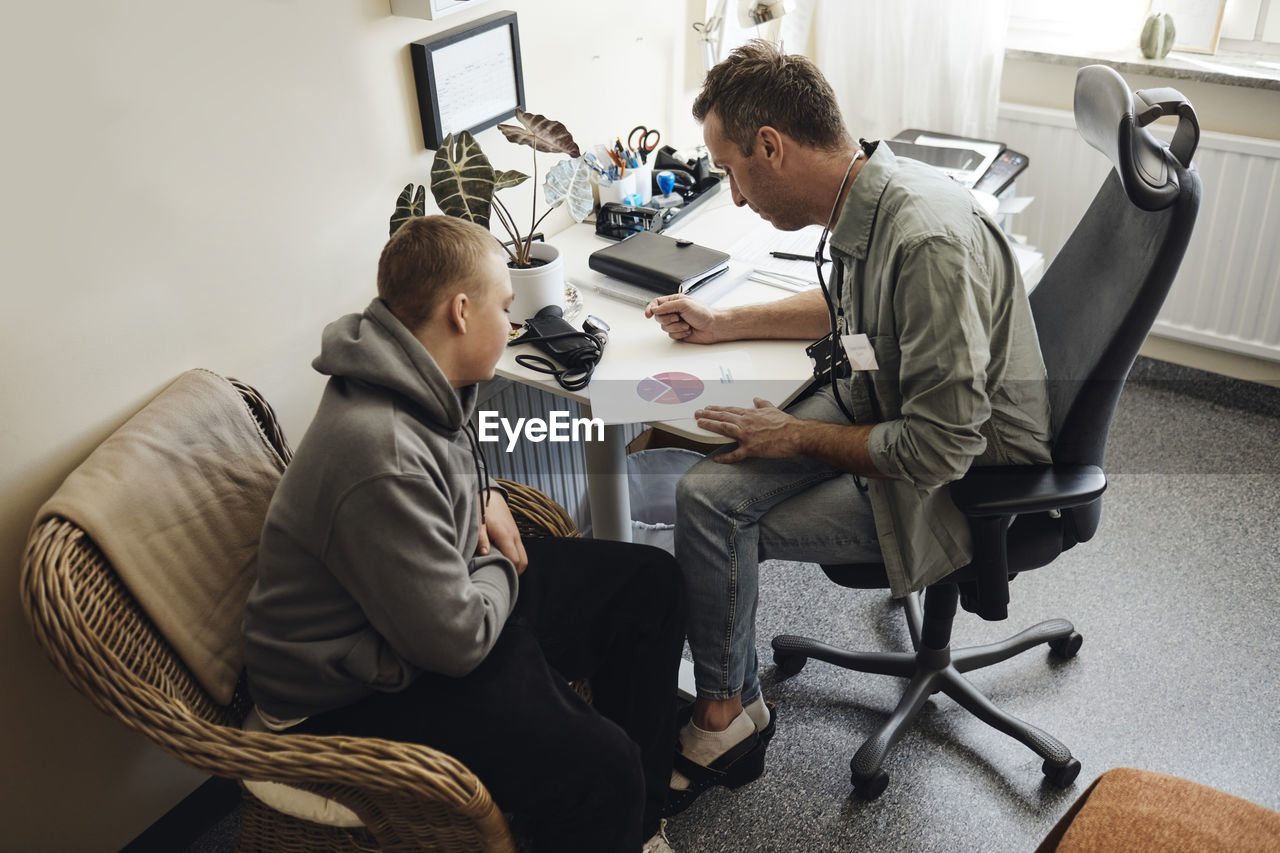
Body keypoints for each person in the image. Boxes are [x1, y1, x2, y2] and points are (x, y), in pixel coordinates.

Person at [645, 41, 1053, 811]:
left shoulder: (925, 238)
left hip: (961, 470)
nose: (733, 197)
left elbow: (943, 443)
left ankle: (722, 715)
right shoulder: (873, 188)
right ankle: (733, 704)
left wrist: (796, 437)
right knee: (705, 495)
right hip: (885, 396)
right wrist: (724, 322)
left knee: (728, 525)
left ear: (772, 147)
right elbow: (855, 312)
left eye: (731, 169)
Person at [243, 215, 686, 853]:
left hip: (431, 604)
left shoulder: (414, 374)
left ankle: (634, 832)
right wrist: (496, 568)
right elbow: (457, 642)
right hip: (350, 688)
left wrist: (487, 493)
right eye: (505, 309)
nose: (512, 326)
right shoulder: (380, 453)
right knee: (601, 768)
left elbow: (442, 475)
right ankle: (610, 804)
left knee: (650, 584)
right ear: (459, 312)